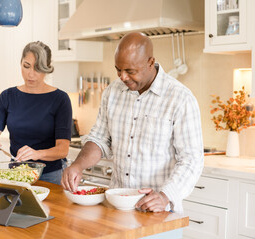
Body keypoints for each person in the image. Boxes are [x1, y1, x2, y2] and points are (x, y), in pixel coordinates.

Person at [61, 32, 203, 212]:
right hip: (117, 207)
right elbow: (99, 139)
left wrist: (164, 196)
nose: (123, 77)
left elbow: (191, 160)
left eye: (130, 71)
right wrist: (77, 165)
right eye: (118, 69)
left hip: (157, 210)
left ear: (150, 62)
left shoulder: (180, 98)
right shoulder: (113, 92)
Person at [0, 41, 72, 185]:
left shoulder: (60, 99)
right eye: (26, 66)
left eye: (38, 68)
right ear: (21, 64)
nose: (31, 74)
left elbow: (63, 149)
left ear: (47, 68)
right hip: (16, 173)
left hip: (50, 175)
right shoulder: (7, 96)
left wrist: (37, 154)